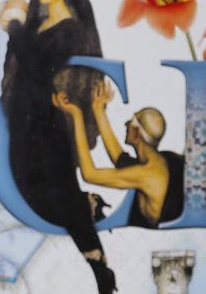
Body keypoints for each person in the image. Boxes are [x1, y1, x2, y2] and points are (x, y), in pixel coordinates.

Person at [0, 0, 116, 294]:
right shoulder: (38, 26)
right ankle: (88, 210)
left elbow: (36, 65)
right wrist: (16, 26)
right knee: (39, 197)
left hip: (47, 128)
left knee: (61, 198)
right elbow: (20, 64)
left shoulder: (71, 30)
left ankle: (99, 266)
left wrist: (14, 25)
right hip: (23, 125)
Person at [52, 73, 184, 229]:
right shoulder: (155, 161)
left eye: (131, 121)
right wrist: (98, 108)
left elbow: (89, 174)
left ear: (137, 132)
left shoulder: (148, 174)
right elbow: (120, 159)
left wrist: (77, 114)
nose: (126, 124)